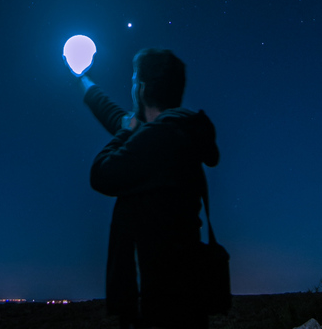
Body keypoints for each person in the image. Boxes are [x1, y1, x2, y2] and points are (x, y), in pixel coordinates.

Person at [75, 48, 220, 329]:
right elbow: (115, 115)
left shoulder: (158, 139)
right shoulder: (177, 131)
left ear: (140, 88)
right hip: (179, 297)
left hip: (158, 305)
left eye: (133, 80)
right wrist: (82, 80)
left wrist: (127, 130)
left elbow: (102, 173)